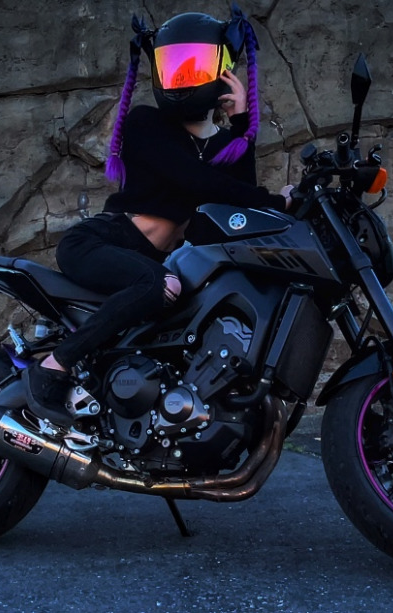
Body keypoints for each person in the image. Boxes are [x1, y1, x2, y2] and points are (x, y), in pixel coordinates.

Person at [23, 8, 293, 426]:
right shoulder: (145, 123)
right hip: (101, 242)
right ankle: (53, 366)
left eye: (195, 66)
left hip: (153, 260)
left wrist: (242, 124)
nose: (183, 77)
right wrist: (275, 201)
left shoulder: (220, 142)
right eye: (172, 67)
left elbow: (237, 208)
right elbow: (198, 181)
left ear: (223, 70)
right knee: (158, 285)